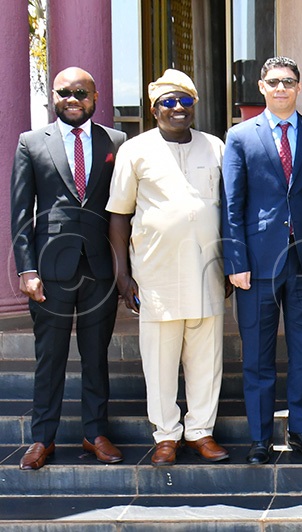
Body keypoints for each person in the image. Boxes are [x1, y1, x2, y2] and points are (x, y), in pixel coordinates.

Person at [222, 56, 302, 465]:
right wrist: (235, 260)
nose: (281, 88)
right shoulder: (239, 137)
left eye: (289, 81)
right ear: (261, 86)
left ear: (299, 87)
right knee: (257, 352)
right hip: (256, 262)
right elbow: (231, 205)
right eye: (274, 82)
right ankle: (260, 437)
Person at [107, 69, 229, 467]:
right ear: (153, 108)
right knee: (158, 361)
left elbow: (229, 209)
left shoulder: (215, 147)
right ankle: (166, 435)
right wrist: (123, 275)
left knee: (206, 357)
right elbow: (119, 215)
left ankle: (200, 431)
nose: (178, 108)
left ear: (195, 104)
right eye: (168, 102)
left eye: (185, 100)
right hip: (155, 274)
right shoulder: (135, 150)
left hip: (207, 270)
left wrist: (231, 264)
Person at [10, 67, 127, 470]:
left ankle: (95, 433)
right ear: (53, 97)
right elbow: (21, 212)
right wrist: (26, 269)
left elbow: (123, 208)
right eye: (64, 92)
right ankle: (43, 438)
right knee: (51, 357)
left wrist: (123, 269)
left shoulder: (116, 141)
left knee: (96, 357)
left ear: (95, 97)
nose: (72, 98)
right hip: (50, 269)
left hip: (99, 268)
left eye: (80, 92)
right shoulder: (30, 143)